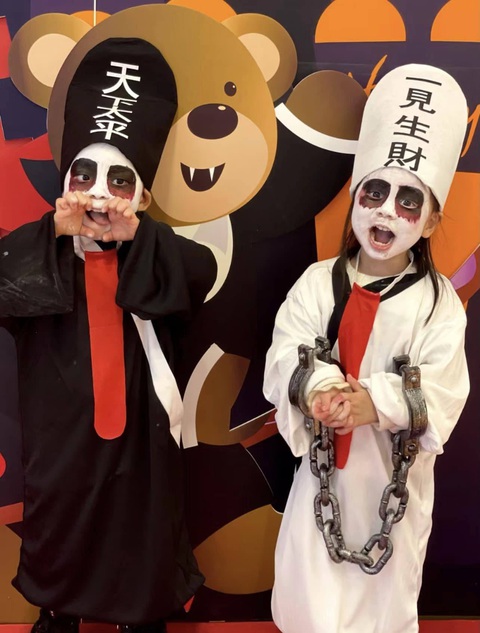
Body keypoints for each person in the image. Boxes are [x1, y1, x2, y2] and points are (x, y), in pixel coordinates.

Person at [0, 38, 217, 633]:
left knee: (141, 522)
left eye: (119, 180)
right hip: (60, 440)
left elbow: (200, 275)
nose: (99, 193)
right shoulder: (38, 252)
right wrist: (53, 231)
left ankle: (140, 614)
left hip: (140, 442)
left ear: (142, 195)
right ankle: (58, 610)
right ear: (65, 182)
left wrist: (136, 238)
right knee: (60, 521)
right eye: (85, 175)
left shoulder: (159, 255)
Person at [263, 64, 470, 633]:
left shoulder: (436, 303)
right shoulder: (317, 282)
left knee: (383, 600)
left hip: (391, 482)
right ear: (356, 199)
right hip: (323, 476)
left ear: (430, 221)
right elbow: (286, 351)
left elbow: (444, 386)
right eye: (374, 193)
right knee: (311, 589)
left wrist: (375, 403)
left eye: (408, 201)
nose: (386, 211)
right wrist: (320, 390)